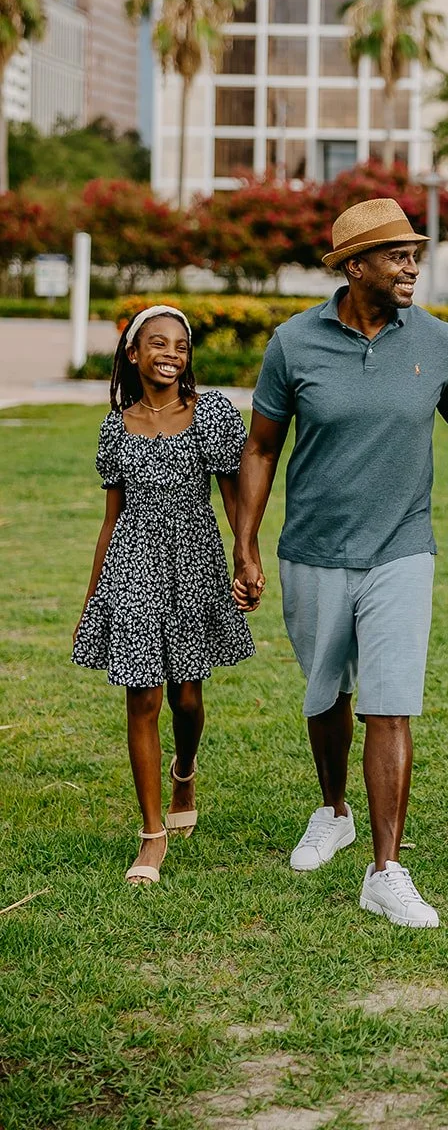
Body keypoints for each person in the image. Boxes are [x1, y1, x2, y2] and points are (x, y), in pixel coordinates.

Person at [232, 197, 448, 928]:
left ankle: (386, 869)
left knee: (389, 702)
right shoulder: (294, 344)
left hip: (402, 547)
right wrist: (244, 541)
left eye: (414, 254)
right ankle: (332, 810)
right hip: (314, 550)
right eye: (396, 255)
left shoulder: (437, 341)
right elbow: (261, 446)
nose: (411, 267)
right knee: (327, 694)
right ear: (353, 266)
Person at [72, 305, 255, 885]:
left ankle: (186, 769)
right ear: (133, 354)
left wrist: (245, 556)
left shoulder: (212, 415)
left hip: (193, 563)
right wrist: (94, 590)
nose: (171, 353)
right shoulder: (115, 427)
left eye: (180, 344)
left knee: (187, 698)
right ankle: (152, 835)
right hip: (133, 564)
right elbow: (111, 519)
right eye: (157, 343)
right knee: (143, 698)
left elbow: (234, 499)